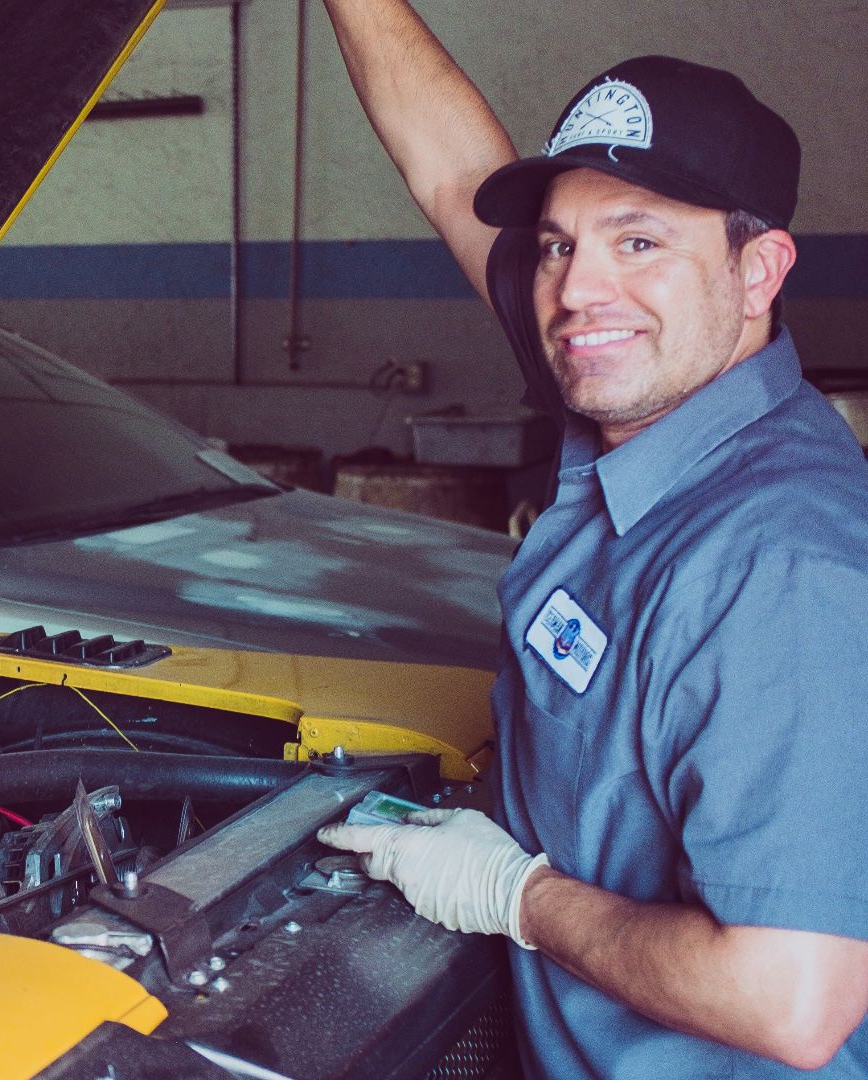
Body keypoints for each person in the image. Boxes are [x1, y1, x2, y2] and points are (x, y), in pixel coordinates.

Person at [311, 2, 868, 1076]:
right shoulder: (647, 391)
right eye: (560, 243)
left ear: (759, 273)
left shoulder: (778, 573)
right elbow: (449, 173)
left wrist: (515, 894)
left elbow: (791, 1000)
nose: (577, 290)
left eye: (641, 241)